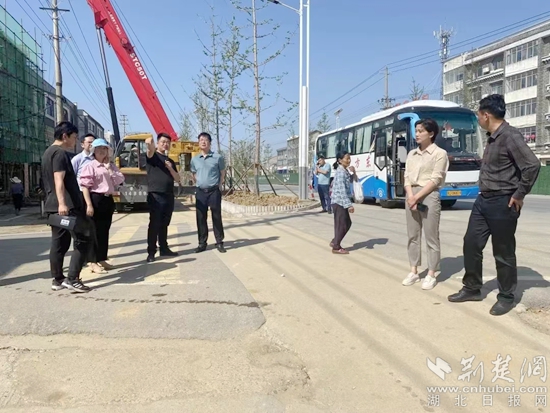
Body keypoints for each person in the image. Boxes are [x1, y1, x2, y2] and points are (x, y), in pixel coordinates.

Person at [448, 94, 541, 316]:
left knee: (503, 251)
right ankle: (472, 288)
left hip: (503, 202)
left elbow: (532, 165)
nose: (479, 119)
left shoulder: (510, 136)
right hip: (483, 200)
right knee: (471, 243)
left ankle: (506, 296)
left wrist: (519, 194)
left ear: (486, 115)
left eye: (479, 115)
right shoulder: (492, 138)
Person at [42, 121, 91, 293]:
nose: (75, 141)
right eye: (74, 137)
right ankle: (72, 279)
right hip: (66, 207)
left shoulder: (48, 152)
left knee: (59, 243)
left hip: (52, 206)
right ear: (65, 136)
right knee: (83, 237)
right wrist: (63, 203)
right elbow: (59, 179)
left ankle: (58, 279)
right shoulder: (60, 153)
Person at [402, 119, 449, 290]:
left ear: (431, 133)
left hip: (429, 195)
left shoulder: (440, 153)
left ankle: (431, 273)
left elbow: (436, 179)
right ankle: (413, 270)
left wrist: (417, 197)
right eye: (416, 130)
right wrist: (410, 196)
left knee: (431, 236)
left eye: (421, 131)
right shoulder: (411, 154)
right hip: (411, 194)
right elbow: (406, 177)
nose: (417, 134)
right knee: (412, 235)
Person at [79, 139, 125, 270]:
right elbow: (85, 187)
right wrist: (89, 204)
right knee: (93, 231)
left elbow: (119, 180)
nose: (102, 151)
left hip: (107, 199)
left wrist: (109, 169)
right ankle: (92, 261)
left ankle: (102, 258)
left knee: (104, 231)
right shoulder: (90, 166)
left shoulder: (111, 166)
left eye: (104, 149)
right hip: (95, 199)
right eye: (99, 149)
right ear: (94, 151)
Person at [145, 133, 180, 262]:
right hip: (156, 194)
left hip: (169, 195)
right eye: (163, 142)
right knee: (154, 223)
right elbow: (149, 148)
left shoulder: (170, 161)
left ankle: (164, 248)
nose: (165, 144)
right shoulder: (152, 157)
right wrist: (150, 142)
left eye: (167, 143)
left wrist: (170, 168)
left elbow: (178, 178)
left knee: (165, 223)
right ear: (158, 143)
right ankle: (151, 252)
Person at [191, 132, 226, 253]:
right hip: (201, 192)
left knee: (216, 216)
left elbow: (222, 173)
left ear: (210, 142)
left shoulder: (217, 157)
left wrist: (218, 185)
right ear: (198, 142)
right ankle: (202, 243)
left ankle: (219, 242)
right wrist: (199, 183)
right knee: (200, 218)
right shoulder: (195, 159)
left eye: (205, 140)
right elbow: (194, 174)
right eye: (201, 140)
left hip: (214, 191)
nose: (203, 142)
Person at [329, 151, 356, 254]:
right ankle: (336, 247)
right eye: (346, 158)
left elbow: (349, 182)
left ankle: (335, 241)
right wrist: (348, 205)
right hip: (339, 202)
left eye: (349, 158)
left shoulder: (344, 171)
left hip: (340, 202)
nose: (349, 160)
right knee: (343, 224)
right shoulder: (340, 172)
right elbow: (342, 190)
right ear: (340, 160)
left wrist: (353, 173)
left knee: (345, 223)